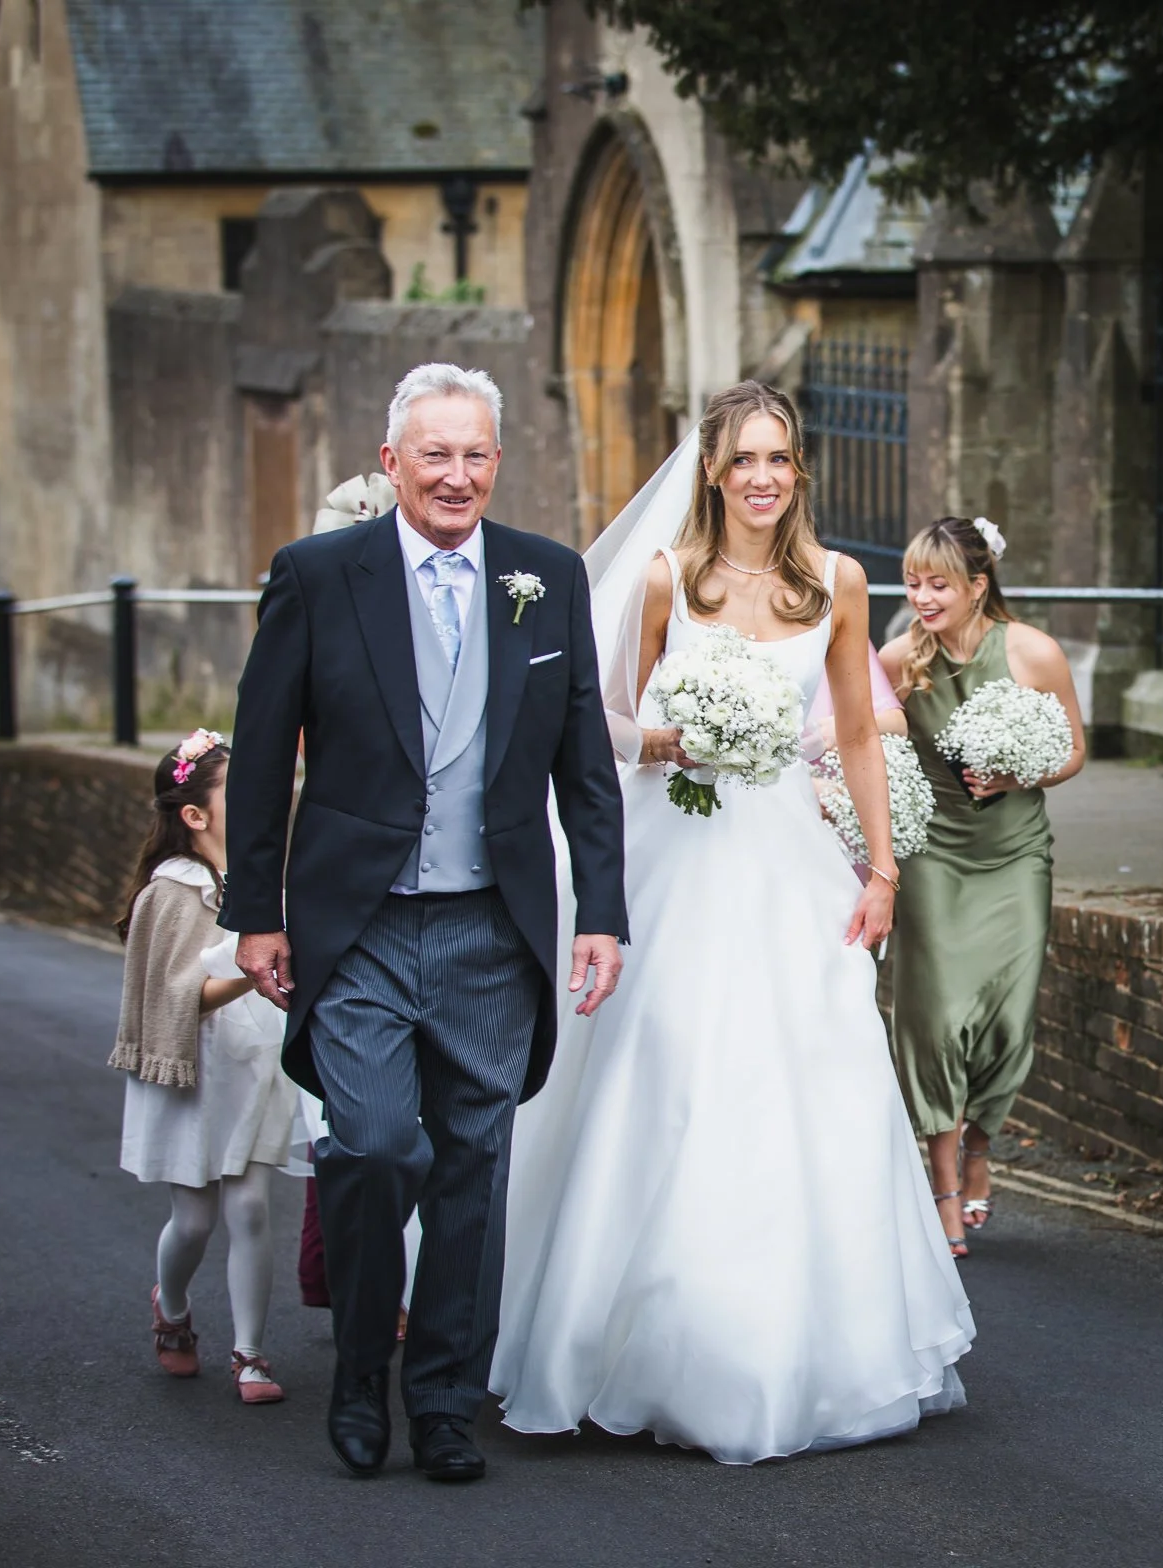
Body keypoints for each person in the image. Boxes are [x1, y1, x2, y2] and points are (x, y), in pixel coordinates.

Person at [492, 381, 973, 1464]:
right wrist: (674, 740)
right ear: (713, 470)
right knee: (667, 1076)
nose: (763, 476)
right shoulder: (668, 577)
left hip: (788, 861)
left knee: (812, 1075)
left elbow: (854, 730)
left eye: (781, 459)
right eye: (745, 458)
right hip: (680, 855)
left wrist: (883, 866)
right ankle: (639, 1344)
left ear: (800, 472)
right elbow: (603, 715)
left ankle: (807, 1348)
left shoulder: (838, 583)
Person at [222, 363, 628, 1484]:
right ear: (392, 460)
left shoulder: (544, 579)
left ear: (499, 461)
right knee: (373, 1143)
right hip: (357, 931)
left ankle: (444, 1398)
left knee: (472, 1168)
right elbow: (259, 757)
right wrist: (253, 911)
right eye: (435, 453)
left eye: (477, 454)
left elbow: (584, 767)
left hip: (493, 933)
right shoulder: (316, 575)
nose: (457, 475)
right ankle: (360, 1370)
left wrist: (600, 910)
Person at [880, 518, 1087, 1254]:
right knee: (934, 1019)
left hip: (1016, 854)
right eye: (913, 582)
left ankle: (978, 1142)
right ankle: (940, 1182)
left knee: (1006, 1016)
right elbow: (874, 751)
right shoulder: (899, 661)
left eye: (938, 584)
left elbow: (1073, 751)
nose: (922, 596)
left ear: (978, 584)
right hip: (935, 855)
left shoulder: (1033, 652)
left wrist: (1017, 772)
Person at [109, 730, 302, 1404]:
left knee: (250, 1207)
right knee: (193, 1221)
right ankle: (174, 1304)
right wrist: (259, 974)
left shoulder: (261, 877)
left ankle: (250, 1354)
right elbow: (175, 998)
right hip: (197, 1068)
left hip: (253, 1060)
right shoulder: (174, 890)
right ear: (194, 815)